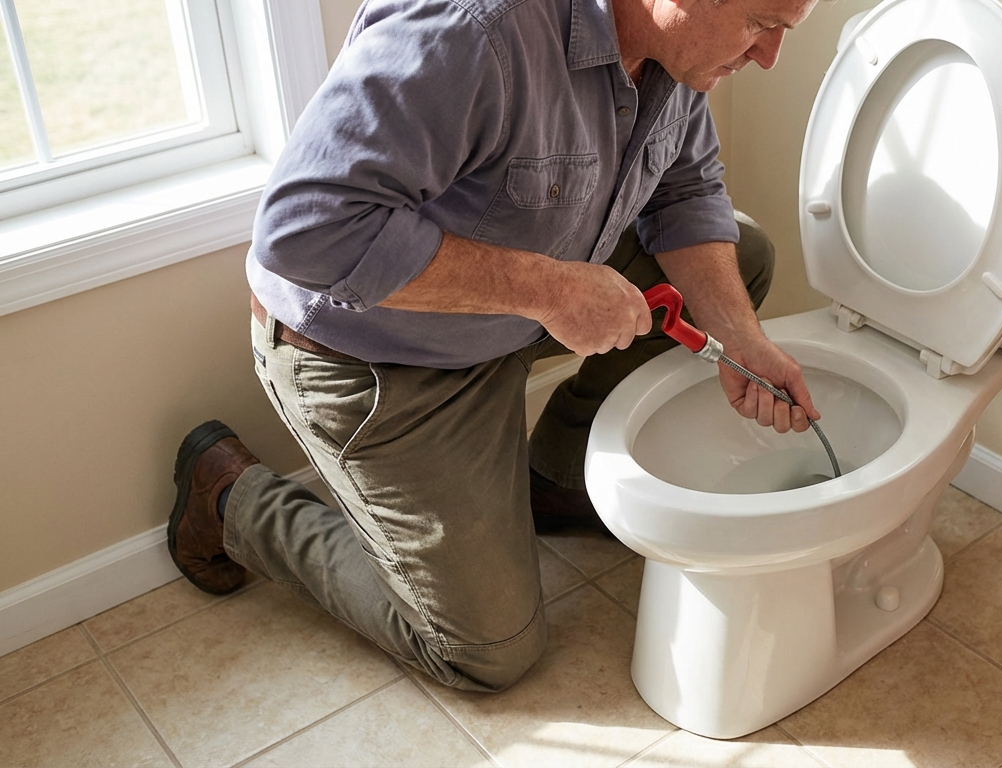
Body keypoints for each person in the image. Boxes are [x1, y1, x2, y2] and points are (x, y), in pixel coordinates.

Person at [165, 0, 820, 692]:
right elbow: (306, 232)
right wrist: (552, 291)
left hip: (520, 303)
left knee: (740, 261)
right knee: (486, 652)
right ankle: (232, 500)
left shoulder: (673, 54)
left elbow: (683, 192)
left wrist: (743, 340)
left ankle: (555, 481)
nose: (769, 55)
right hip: (378, 350)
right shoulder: (475, 29)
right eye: (761, 23)